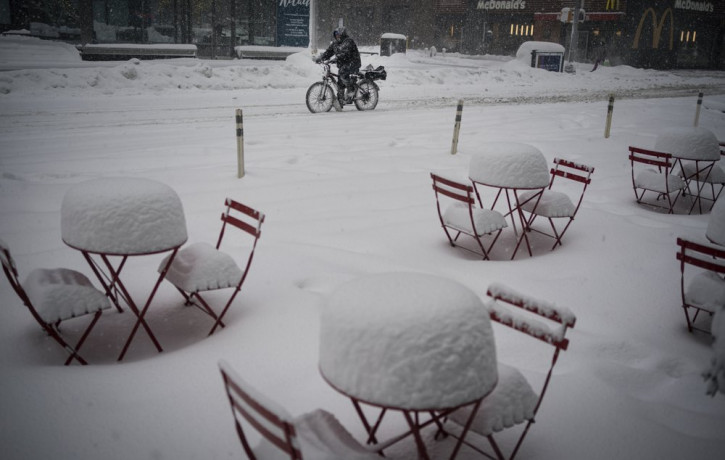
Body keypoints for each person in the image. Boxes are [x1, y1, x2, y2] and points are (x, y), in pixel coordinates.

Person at [315, 26, 361, 103]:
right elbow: (328, 52)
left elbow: (345, 53)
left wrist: (336, 59)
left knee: (342, 72)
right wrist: (321, 58)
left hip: (353, 63)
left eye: (339, 34)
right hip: (343, 64)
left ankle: (351, 89)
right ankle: (341, 100)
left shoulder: (348, 41)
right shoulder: (335, 44)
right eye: (336, 34)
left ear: (343, 34)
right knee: (340, 82)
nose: (337, 36)